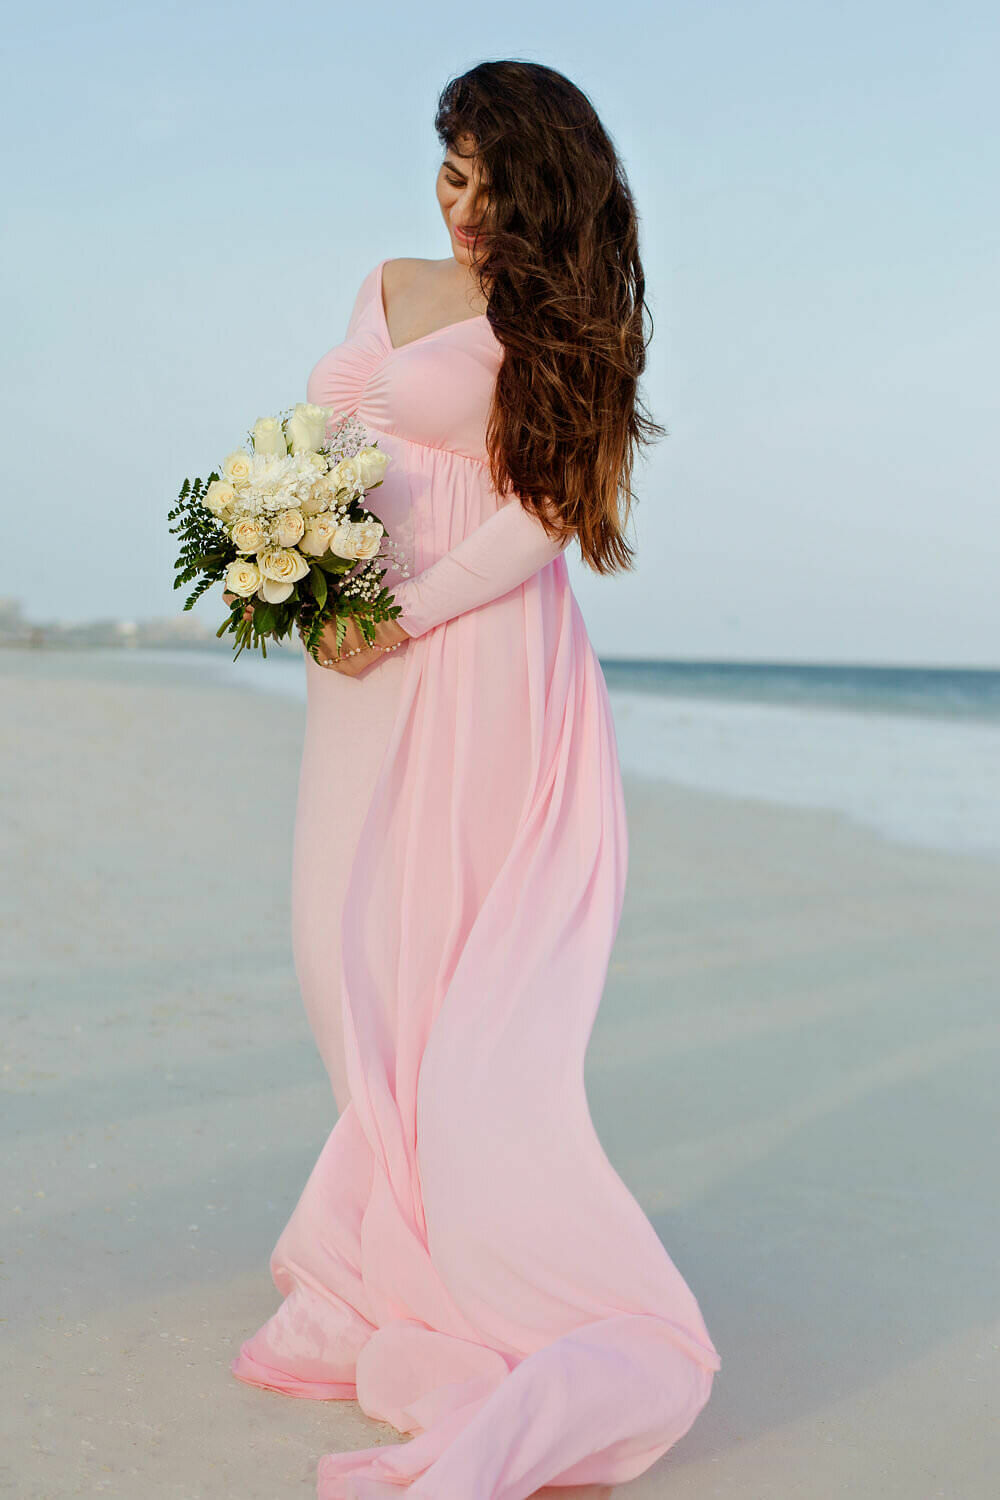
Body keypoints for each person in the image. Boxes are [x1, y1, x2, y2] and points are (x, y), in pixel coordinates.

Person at [229, 60, 721, 1500]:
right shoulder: (387, 278)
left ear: (542, 183)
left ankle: (485, 1259)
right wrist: (295, 551)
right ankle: (397, 1227)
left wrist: (408, 613)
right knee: (341, 953)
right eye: (448, 176)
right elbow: (331, 432)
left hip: (477, 653)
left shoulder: (562, 318)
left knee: (447, 974)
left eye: (488, 184)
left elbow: (548, 514)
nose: (459, 207)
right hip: (353, 654)